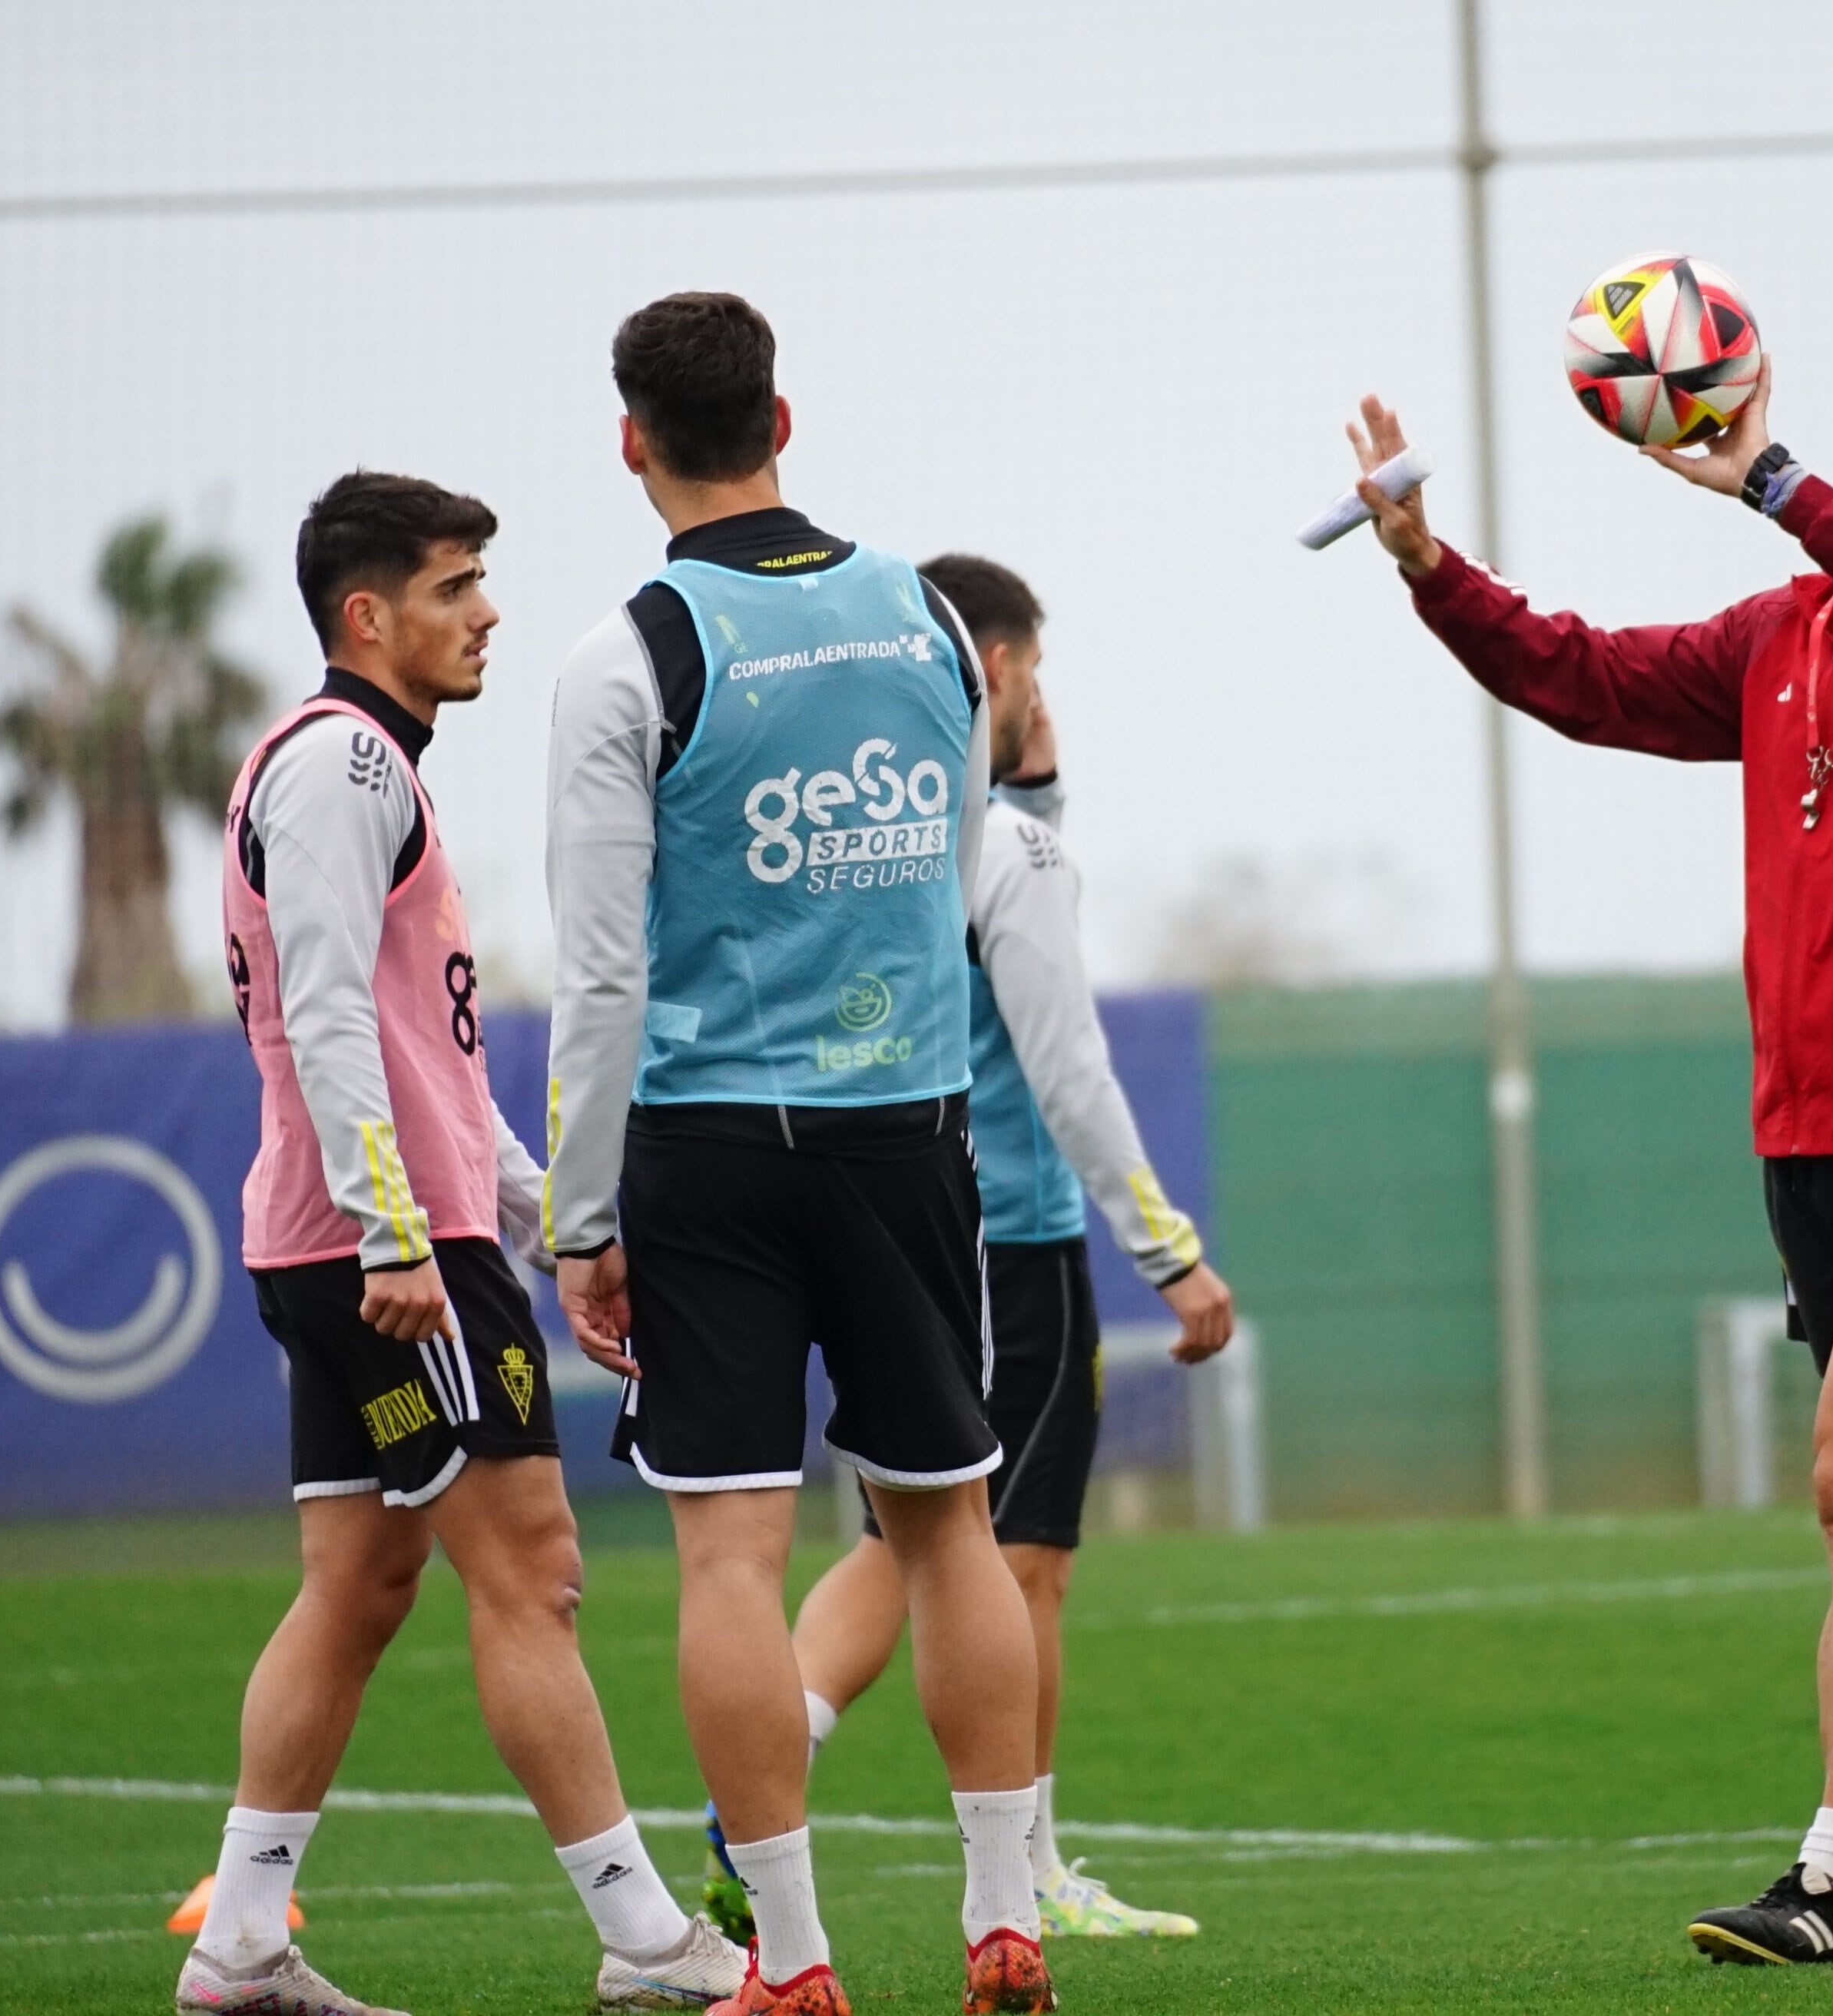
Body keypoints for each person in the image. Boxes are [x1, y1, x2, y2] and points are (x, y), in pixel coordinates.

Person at [1343, 297, 1833, 1966]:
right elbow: (1584, 678)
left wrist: (1759, 471)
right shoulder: (1788, 632)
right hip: (1812, 1130)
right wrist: (1428, 566)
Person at [545, 293, 1051, 2016]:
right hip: (909, 1132)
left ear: (633, 442)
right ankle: (1006, 1917)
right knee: (949, 1528)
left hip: (708, 1154)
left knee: (730, 1561)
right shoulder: (926, 611)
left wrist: (580, 1211)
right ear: (785, 413)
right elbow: (958, 860)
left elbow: (603, 965)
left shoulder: (626, 657)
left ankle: (798, 1958)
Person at [186, 472, 745, 2016]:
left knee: (361, 1581)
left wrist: (545, 1211)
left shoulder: (363, 768)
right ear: (368, 615)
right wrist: (396, 1233)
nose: (486, 610)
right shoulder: (344, 762)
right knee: (536, 1572)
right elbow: (319, 1012)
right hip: (385, 1254)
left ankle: (238, 1948)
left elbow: (423, 1060)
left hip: (376, 1235)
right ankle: (648, 1942)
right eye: (454, 586)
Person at [785, 553, 1237, 1941]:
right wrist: (1168, 1251)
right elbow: (1070, 1070)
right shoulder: (1008, 853)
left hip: (891, 1226)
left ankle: (758, 1768)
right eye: (1029, 672)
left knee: (904, 1538)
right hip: (1016, 1246)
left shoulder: (889, 828)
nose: (1044, 699)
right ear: (992, 672)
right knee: (1010, 1558)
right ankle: (1028, 1873)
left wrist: (1038, 786)